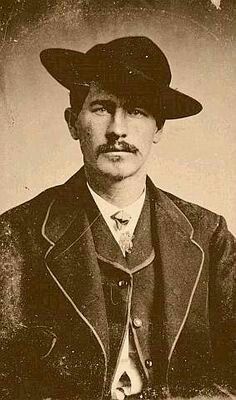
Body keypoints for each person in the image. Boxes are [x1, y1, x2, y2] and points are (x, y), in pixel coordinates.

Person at [0, 36, 235, 400]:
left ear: (159, 129)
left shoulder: (209, 233)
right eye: (101, 108)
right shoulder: (16, 234)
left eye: (137, 110)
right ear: (73, 123)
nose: (117, 130)